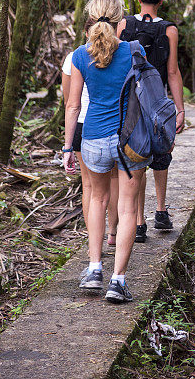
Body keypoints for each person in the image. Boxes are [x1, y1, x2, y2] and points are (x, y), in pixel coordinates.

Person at [63, 0, 150, 303]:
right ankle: (118, 281)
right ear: (122, 23)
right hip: (130, 142)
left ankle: (94, 269)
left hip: (94, 139)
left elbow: (73, 106)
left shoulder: (78, 55)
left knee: (96, 200)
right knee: (127, 208)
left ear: (90, 21)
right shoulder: (134, 51)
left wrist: (66, 148)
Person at [118, 0, 185, 243]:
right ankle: (161, 210)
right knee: (161, 150)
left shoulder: (124, 24)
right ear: (161, 0)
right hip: (157, 101)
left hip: (131, 100)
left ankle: (139, 222)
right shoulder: (169, 30)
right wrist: (179, 109)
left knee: (137, 155)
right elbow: (172, 71)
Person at [62, 52, 119, 245]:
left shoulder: (74, 57)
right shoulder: (118, 52)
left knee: (88, 185)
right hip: (111, 124)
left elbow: (68, 100)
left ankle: (93, 240)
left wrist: (66, 145)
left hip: (81, 123)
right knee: (113, 179)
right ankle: (112, 233)